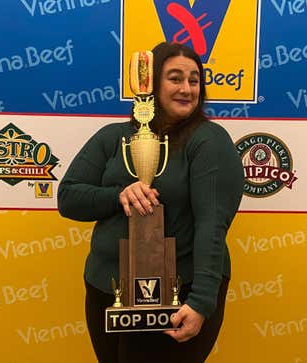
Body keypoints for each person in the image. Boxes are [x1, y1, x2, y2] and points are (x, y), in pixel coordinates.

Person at [57, 42, 244, 363]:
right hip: (107, 292)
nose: (187, 88)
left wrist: (201, 302)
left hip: (177, 296)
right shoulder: (113, 137)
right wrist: (117, 195)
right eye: (175, 78)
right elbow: (69, 197)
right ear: (151, 84)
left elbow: (212, 226)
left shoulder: (209, 140)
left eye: (194, 80)